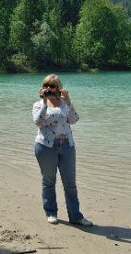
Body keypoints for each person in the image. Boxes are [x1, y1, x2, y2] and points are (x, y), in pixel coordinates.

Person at [32, 74, 93, 226]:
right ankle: (51, 212)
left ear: (59, 88)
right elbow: (38, 122)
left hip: (67, 146)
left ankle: (76, 216)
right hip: (46, 147)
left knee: (70, 183)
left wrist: (68, 101)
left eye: (53, 86)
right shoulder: (38, 105)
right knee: (49, 181)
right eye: (46, 85)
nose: (49, 89)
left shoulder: (65, 105)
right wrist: (46, 103)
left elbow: (74, 120)